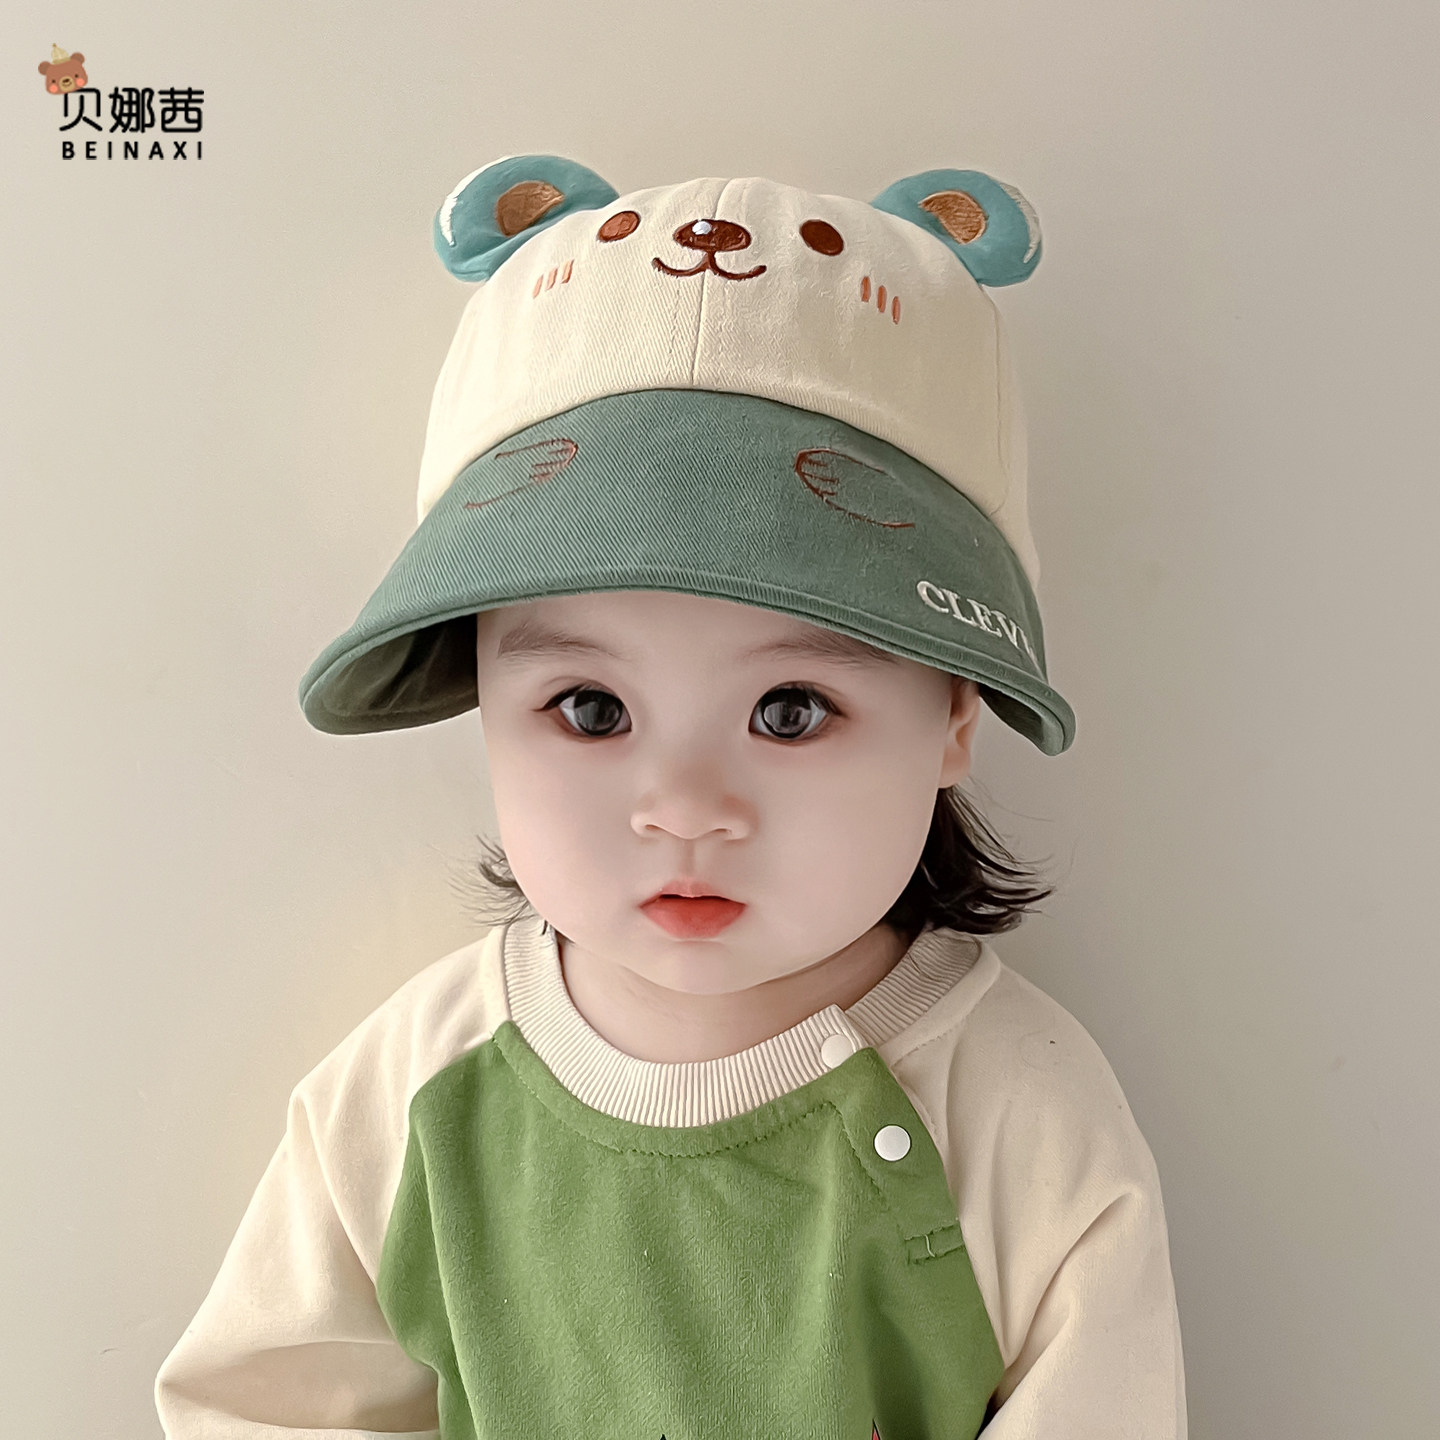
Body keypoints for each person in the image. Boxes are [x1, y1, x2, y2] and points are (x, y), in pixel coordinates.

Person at [155, 154, 1187, 1438]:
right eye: (591, 709)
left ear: (956, 716)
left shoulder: (1018, 1108)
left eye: (791, 709)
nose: (685, 808)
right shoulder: (415, 1088)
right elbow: (266, 1402)